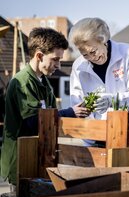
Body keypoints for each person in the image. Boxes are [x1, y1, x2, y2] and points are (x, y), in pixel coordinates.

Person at [0, 27, 90, 188]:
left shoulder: (44, 81)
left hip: (40, 156)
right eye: (55, 59)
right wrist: (70, 113)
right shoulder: (22, 82)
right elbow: (33, 122)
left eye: (60, 60)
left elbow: (51, 116)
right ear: (39, 56)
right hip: (22, 158)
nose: (58, 65)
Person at [68, 17, 129, 120]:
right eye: (85, 55)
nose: (92, 58)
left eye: (93, 51)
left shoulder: (128, 53)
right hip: (94, 131)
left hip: (126, 125)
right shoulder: (78, 66)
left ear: (103, 39)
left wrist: (112, 100)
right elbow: (77, 105)